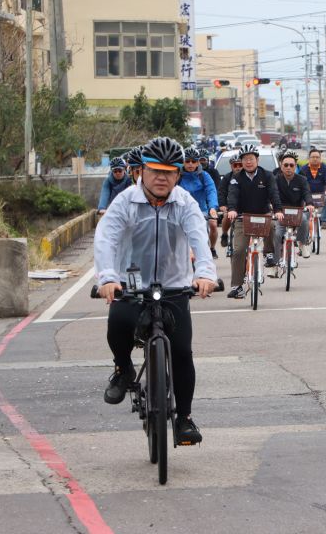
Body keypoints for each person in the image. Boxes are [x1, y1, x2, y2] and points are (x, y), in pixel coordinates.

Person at [94, 136, 217, 445]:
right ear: (141, 172)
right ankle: (123, 369)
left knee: (182, 351)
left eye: (170, 172)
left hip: (175, 286)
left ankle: (185, 418)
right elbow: (106, 239)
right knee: (118, 322)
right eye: (155, 171)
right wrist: (108, 278)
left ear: (178, 175)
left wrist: (204, 273)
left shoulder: (185, 202)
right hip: (131, 285)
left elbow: (199, 238)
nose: (162, 178)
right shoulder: (124, 202)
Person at [225, 144, 284, 299]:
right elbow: (232, 195)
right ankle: (237, 286)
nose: (248, 162)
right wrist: (231, 209)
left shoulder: (267, 175)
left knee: (272, 225)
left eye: (251, 158)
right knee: (238, 251)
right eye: (245, 159)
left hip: (263, 216)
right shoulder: (236, 178)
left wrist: (277, 211)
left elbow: (274, 194)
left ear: (257, 160)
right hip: (242, 217)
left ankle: (269, 254)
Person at [272, 149, 313, 262]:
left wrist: (309, 203)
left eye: (291, 165)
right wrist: (274, 208)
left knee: (304, 219)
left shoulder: (302, 180)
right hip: (281, 213)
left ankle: (302, 244)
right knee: (277, 235)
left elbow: (307, 193)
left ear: (295, 166)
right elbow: (272, 195)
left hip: (297, 212)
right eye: (286, 165)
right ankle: (274, 264)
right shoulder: (275, 180)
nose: (288, 167)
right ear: (281, 166)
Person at [180, 147, 220, 258]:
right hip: (181, 213)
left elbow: (211, 191)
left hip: (201, 212)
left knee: (202, 242)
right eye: (187, 161)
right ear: (183, 162)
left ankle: (208, 257)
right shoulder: (177, 176)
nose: (190, 164)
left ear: (198, 162)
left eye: (193, 161)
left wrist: (212, 208)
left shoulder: (204, 176)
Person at [299, 148, 326, 227]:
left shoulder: (324, 167)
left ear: (320, 158)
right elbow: (300, 182)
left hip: (321, 194)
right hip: (308, 194)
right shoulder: (303, 169)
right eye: (313, 157)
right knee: (301, 203)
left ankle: (324, 221)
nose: (315, 159)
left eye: (317, 157)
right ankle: (304, 220)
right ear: (309, 158)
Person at [218, 154, 244, 257]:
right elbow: (221, 192)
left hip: (245, 206)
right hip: (230, 205)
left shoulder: (247, 176)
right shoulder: (227, 178)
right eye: (235, 165)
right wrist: (222, 205)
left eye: (239, 165)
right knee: (226, 216)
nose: (238, 167)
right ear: (231, 166)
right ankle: (225, 234)